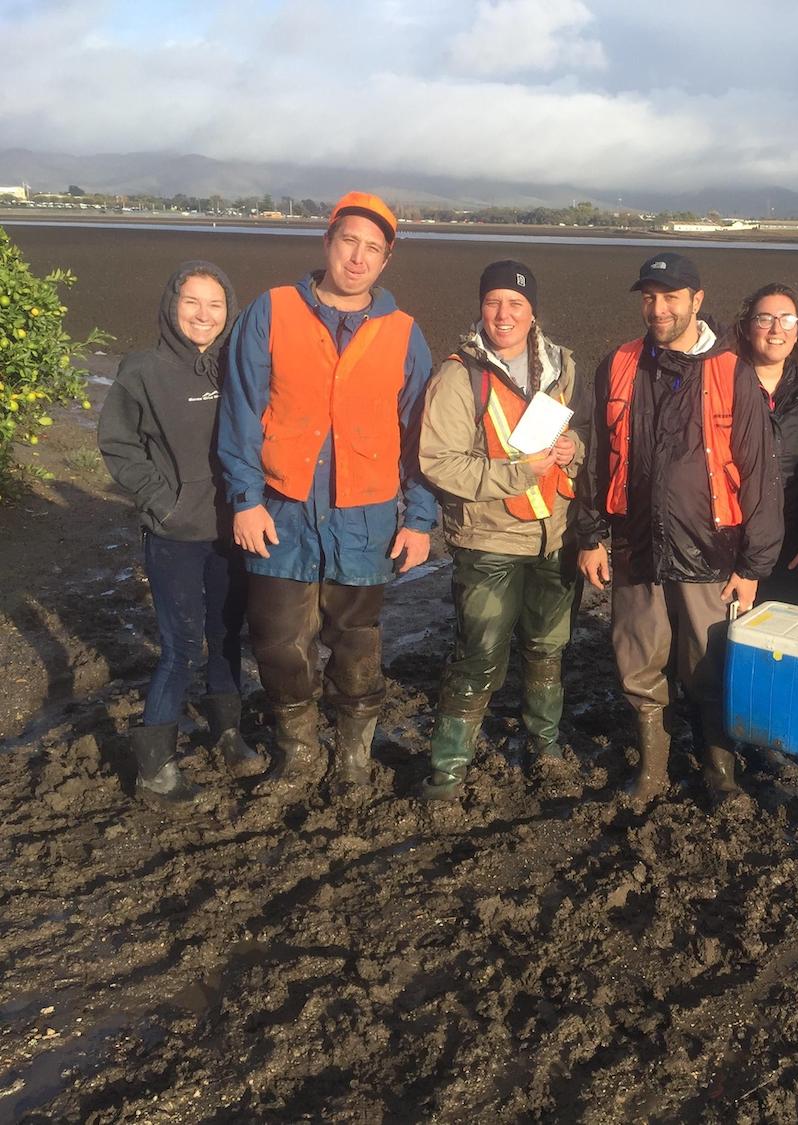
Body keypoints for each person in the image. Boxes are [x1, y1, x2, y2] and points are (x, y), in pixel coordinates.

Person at [217, 191, 436, 796]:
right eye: (349, 242)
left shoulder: (402, 333)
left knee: (357, 648)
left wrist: (419, 519)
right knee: (280, 646)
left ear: (386, 260)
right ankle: (298, 759)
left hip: (364, 524)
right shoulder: (272, 310)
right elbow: (240, 412)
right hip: (279, 513)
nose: (358, 258)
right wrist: (245, 497)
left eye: (372, 249)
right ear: (327, 243)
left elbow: (422, 437)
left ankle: (353, 761)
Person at [573, 252, 782, 807]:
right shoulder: (617, 364)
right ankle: (653, 772)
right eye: (649, 297)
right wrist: (590, 535)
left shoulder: (731, 372)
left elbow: (760, 474)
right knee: (637, 661)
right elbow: (598, 458)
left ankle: (720, 771)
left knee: (707, 666)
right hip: (635, 546)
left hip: (710, 550)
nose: (658, 308)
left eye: (670, 297)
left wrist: (753, 567)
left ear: (697, 300)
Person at [99, 261, 265, 807]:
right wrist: (160, 501)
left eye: (215, 305)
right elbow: (119, 445)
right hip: (174, 532)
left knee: (226, 635)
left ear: (229, 311)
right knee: (180, 646)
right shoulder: (142, 370)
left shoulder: (237, 368)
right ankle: (156, 768)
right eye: (192, 302)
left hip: (233, 528)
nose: (203, 314)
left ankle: (226, 732)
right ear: (173, 305)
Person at [416, 260, 582, 799]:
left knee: (547, 648)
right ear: (480, 308)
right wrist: (517, 472)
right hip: (486, 540)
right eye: (493, 303)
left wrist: (571, 450)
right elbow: (439, 463)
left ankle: (546, 745)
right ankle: (448, 770)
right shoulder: (457, 375)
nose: (503, 314)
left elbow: (572, 439)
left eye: (515, 303)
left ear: (533, 311)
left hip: (553, 535)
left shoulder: (563, 366)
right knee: (479, 655)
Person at [733, 282, 798, 606]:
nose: (776, 329)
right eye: (764, 319)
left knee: (769, 643)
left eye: (787, 319)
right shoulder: (722, 383)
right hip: (728, 538)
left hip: (789, 543)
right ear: (747, 328)